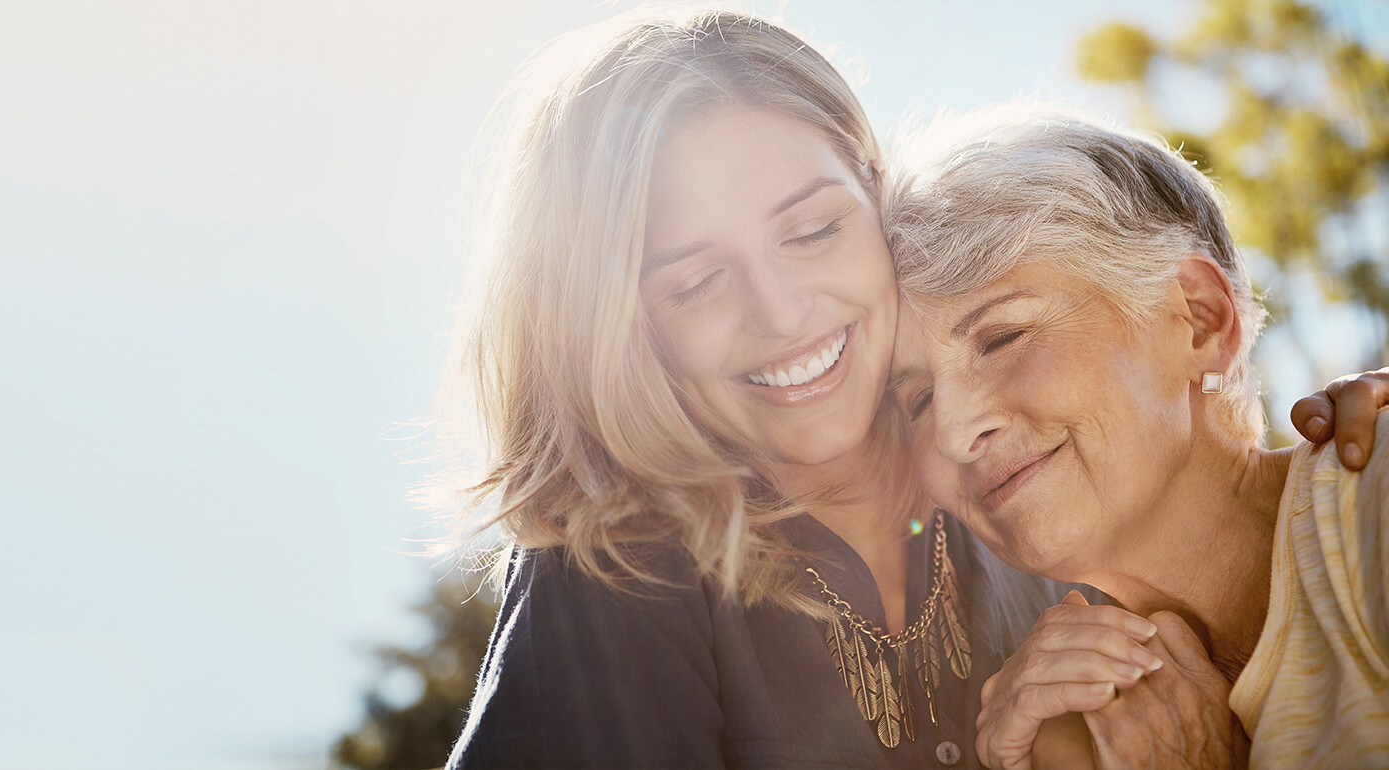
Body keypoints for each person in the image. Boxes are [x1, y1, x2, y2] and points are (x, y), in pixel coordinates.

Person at [434, 8, 1388, 768]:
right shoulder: (621, 573)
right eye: (693, 282)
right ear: (625, 330)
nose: (781, 313)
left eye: (811, 231)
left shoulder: (1066, 546)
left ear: (869, 195)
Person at [886, 107, 1389, 769]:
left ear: (1198, 318)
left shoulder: (1371, 502)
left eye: (1003, 337)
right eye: (917, 401)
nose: (954, 432)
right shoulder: (1071, 730)